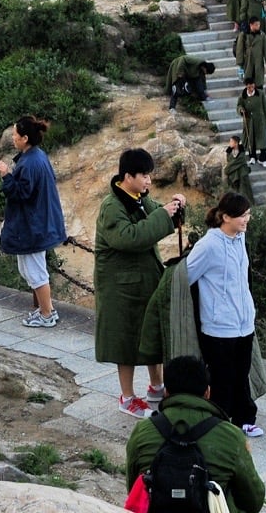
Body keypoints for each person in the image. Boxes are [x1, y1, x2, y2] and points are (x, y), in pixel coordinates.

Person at [94, 148, 187, 418]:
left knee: (150, 335)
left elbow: (160, 215)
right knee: (125, 341)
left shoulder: (137, 198)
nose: (148, 181)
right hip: (119, 287)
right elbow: (129, 237)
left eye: (149, 175)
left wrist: (176, 209)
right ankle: (127, 397)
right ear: (127, 176)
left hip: (141, 281)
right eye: (144, 175)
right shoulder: (112, 206)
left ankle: (157, 387)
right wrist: (163, 215)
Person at [123, 356, 266, 513]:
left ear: (166, 392)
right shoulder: (231, 436)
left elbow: (133, 488)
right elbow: (254, 501)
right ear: (207, 392)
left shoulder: (143, 431)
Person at [184, 194, 262, 437]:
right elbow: (186, 276)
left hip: (243, 323)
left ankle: (245, 419)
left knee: (241, 373)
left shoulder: (240, 238)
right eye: (242, 215)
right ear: (226, 217)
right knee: (221, 377)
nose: (247, 219)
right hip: (218, 326)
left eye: (248, 214)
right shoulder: (208, 245)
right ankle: (218, 423)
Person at [0, 116, 68, 328]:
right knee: (31, 269)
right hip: (40, 223)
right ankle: (48, 309)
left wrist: (6, 176)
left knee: (35, 271)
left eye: (16, 135)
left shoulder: (29, 163)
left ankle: (46, 314)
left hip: (33, 226)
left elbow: (20, 193)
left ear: (25, 138)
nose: (13, 138)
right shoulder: (37, 157)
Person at [236, 79, 266, 166]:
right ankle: (253, 157)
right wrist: (241, 110)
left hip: (260, 120)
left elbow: (265, 107)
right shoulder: (242, 96)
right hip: (249, 121)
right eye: (248, 86)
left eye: (252, 85)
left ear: (254, 85)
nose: (250, 88)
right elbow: (239, 105)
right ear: (246, 86)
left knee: (262, 139)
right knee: (251, 139)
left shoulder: (260, 94)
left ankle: (263, 159)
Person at [235, 16, 266, 88]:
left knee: (259, 81)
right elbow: (239, 49)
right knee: (249, 81)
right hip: (248, 61)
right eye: (256, 25)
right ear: (251, 25)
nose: (258, 26)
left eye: (259, 25)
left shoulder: (262, 35)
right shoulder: (244, 35)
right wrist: (240, 62)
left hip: (258, 61)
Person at [223, 136, 253, 201]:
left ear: (236, 143)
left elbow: (234, 163)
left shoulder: (241, 154)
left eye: (231, 142)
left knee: (243, 191)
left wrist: (227, 170)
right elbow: (230, 162)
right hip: (233, 174)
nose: (229, 143)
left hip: (241, 174)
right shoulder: (229, 152)